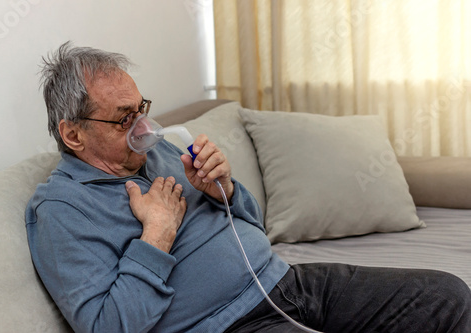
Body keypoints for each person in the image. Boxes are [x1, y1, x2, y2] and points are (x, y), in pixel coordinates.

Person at [25, 42, 471, 333]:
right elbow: (108, 327)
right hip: (228, 324)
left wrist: (227, 190)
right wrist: (155, 236)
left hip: (288, 282)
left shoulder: (158, 154)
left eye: (141, 107)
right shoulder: (61, 210)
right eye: (124, 118)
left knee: (449, 297)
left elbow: (250, 224)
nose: (144, 125)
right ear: (74, 135)